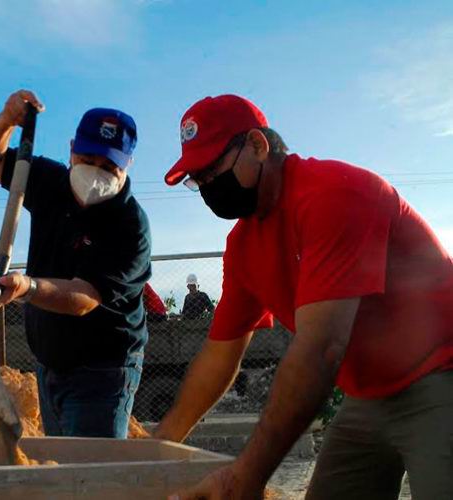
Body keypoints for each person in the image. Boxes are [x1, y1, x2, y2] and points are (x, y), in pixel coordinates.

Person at [156, 94, 453, 500]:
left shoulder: (335, 194)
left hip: (440, 374)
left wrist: (245, 476)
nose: (209, 187)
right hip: (367, 396)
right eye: (198, 181)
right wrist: (160, 443)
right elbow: (219, 354)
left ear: (258, 146)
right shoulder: (243, 247)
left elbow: (320, 349)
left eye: (213, 170)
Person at [0, 90, 151, 438]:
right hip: (50, 364)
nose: (95, 172)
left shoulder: (130, 225)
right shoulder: (47, 182)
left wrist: (27, 287)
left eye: (109, 165)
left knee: (90, 478)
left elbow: (85, 297)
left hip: (103, 371)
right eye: (87, 158)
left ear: (127, 164)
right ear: (71, 148)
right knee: (64, 467)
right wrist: (7, 121)